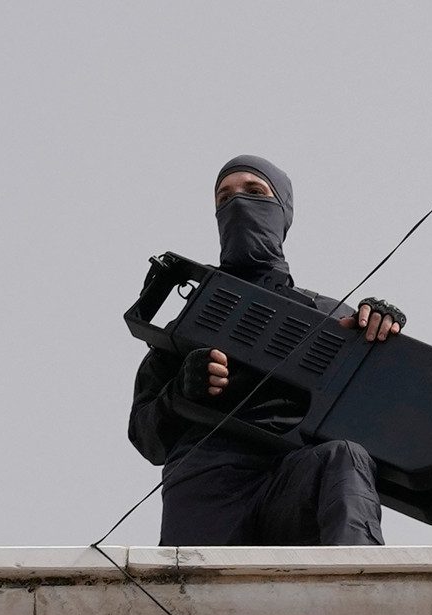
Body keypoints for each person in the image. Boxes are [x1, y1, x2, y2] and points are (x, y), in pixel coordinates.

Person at [129, 155, 406, 546]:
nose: (237, 202)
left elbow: (387, 415)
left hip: (295, 479)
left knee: (345, 458)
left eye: (254, 191)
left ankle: (359, 590)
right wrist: (179, 394)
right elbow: (145, 436)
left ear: (282, 210)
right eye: (224, 197)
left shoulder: (332, 317)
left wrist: (384, 339)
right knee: (196, 602)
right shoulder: (189, 322)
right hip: (207, 487)